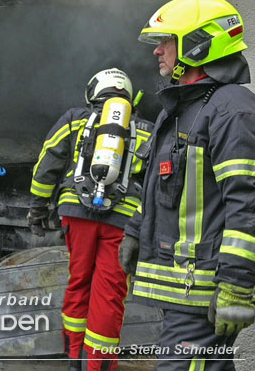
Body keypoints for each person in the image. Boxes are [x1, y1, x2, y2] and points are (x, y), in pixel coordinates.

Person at [119, 0, 255, 370]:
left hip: (203, 294)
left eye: (165, 41)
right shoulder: (184, 111)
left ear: (197, 45)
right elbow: (163, 187)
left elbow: (249, 207)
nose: (157, 52)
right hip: (183, 295)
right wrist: (137, 229)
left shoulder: (233, 112)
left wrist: (236, 284)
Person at [28, 68, 153, 371]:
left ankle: (74, 358)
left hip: (76, 212)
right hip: (122, 223)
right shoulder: (148, 129)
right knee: (110, 293)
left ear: (93, 93)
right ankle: (96, 366)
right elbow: (156, 180)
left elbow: (47, 164)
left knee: (79, 282)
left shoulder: (74, 119)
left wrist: (38, 208)